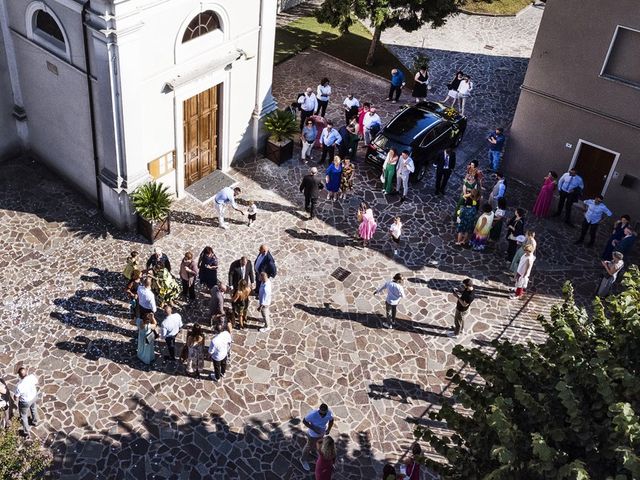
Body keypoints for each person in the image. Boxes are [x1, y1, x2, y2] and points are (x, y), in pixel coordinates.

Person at [301, 403, 335, 471]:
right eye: (320, 413)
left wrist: (329, 429)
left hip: (321, 433)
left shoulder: (329, 413)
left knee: (317, 444)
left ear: (326, 411)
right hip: (312, 434)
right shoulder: (312, 414)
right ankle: (303, 460)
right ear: (319, 410)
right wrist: (314, 428)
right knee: (308, 446)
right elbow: (304, 421)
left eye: (324, 414)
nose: (322, 415)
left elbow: (331, 420)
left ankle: (313, 452)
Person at [14, 368, 39, 438]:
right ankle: (35, 422)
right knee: (34, 409)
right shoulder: (32, 377)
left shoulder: (20, 385)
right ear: (26, 372)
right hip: (34, 397)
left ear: (19, 375)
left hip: (25, 402)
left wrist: (15, 399)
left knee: (23, 416)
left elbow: (16, 396)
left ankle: (26, 432)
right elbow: (36, 382)